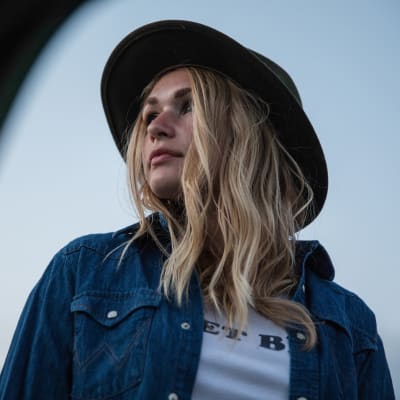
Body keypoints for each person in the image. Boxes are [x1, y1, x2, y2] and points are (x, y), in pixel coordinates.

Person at [0, 20, 394, 400]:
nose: (155, 127)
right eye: (150, 114)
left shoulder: (350, 327)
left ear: (250, 136)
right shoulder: (83, 275)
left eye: (188, 106)